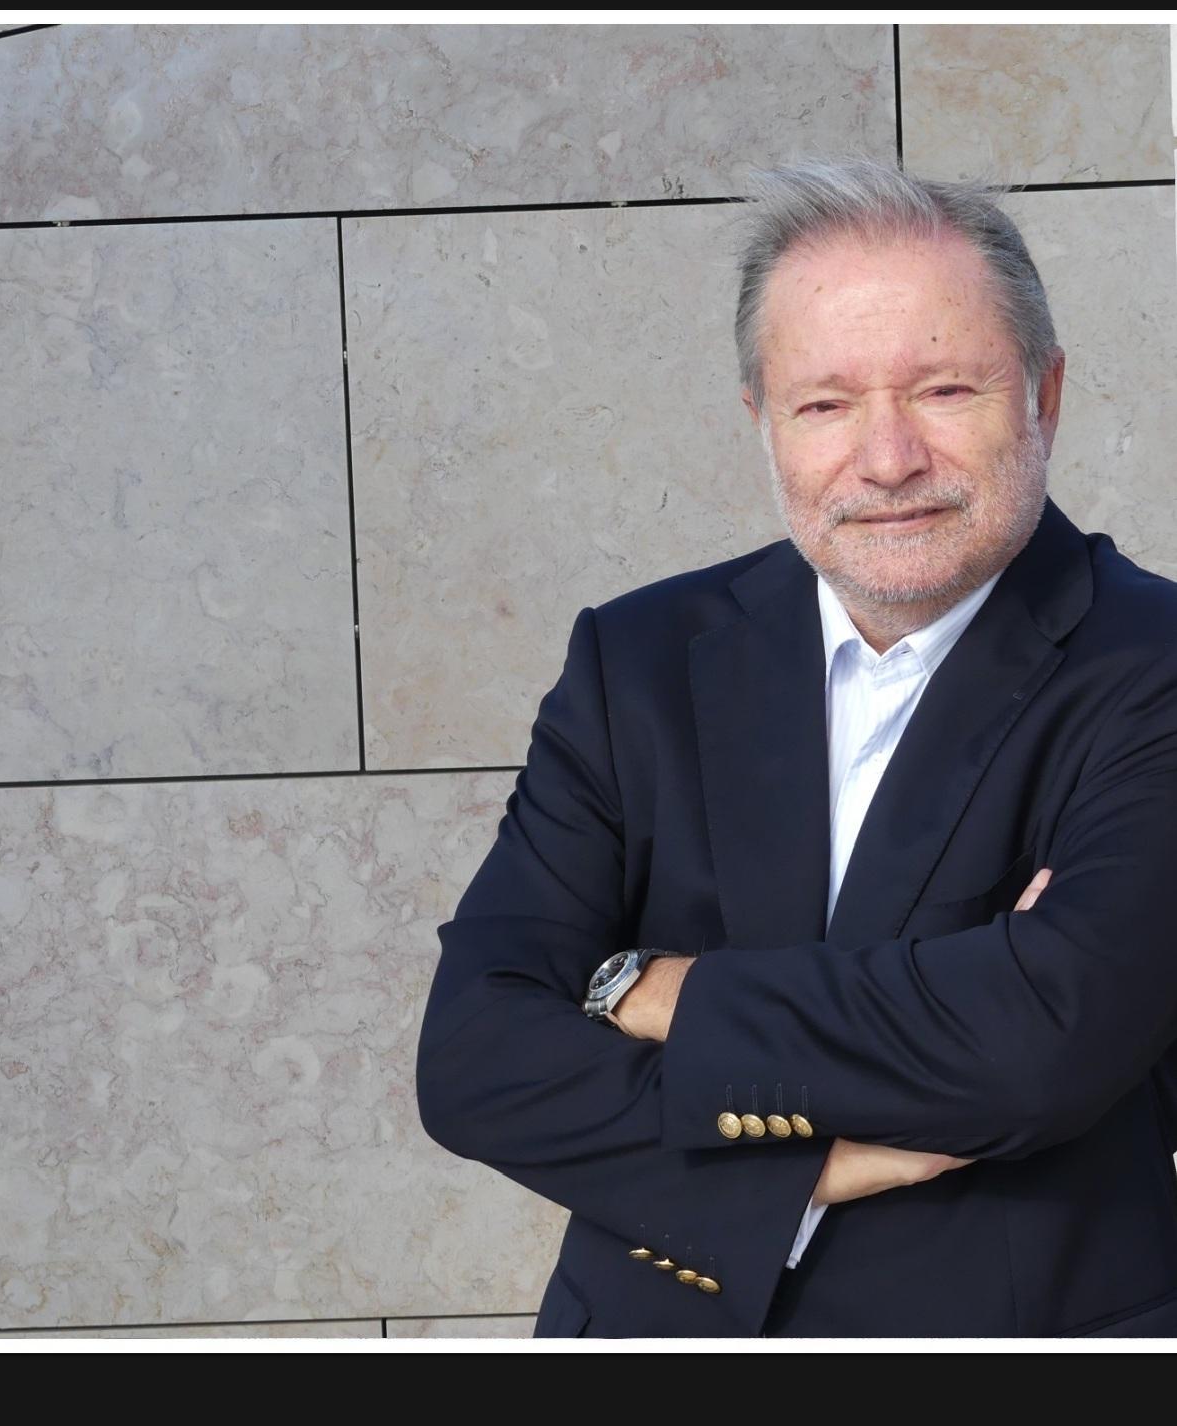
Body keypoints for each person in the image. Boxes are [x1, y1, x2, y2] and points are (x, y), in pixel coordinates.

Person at [414, 155, 1177, 1339]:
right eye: (825, 405)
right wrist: (804, 1169)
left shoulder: (1153, 666)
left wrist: (647, 989)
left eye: (944, 390)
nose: (888, 459)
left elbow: (1042, 1042)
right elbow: (473, 1057)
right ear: (762, 421)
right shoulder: (639, 657)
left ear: (1046, 393)